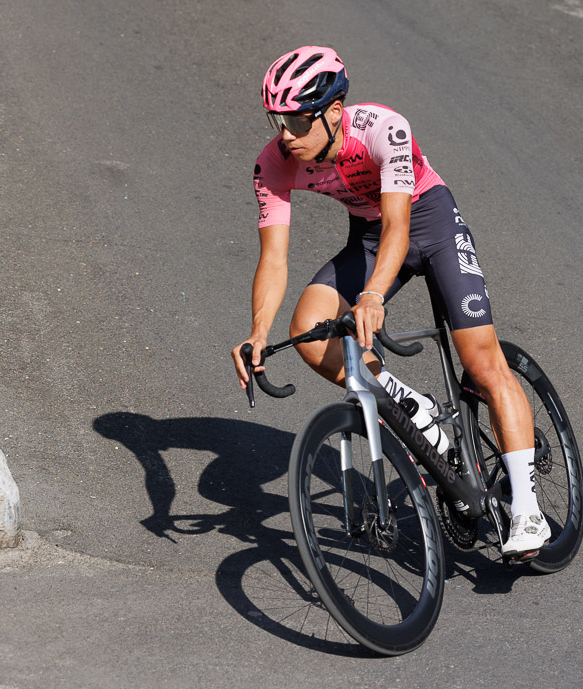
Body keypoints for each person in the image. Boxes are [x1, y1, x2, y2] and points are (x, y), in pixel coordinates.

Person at [230, 46, 549, 556]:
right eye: (277, 119)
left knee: (483, 364)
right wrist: (258, 332)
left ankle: (529, 511)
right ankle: (416, 410)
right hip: (371, 235)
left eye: (297, 120)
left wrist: (374, 294)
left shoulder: (383, 129)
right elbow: (273, 259)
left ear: (334, 113)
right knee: (310, 332)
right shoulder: (273, 163)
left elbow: (400, 223)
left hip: (429, 222)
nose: (285, 134)